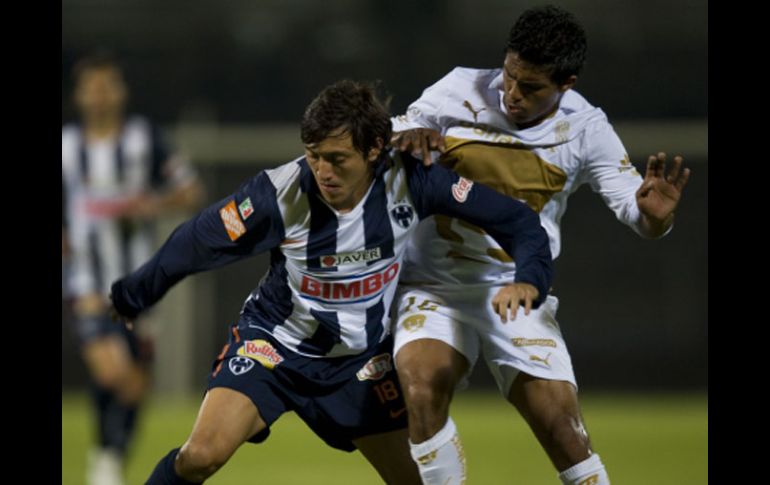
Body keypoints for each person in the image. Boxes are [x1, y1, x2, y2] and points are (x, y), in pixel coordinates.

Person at [109, 79, 554, 484]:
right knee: (200, 456)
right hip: (275, 348)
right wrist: (134, 294)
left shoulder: (413, 181)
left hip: (358, 364)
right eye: (314, 155)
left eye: (337, 159)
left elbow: (517, 220)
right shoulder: (278, 194)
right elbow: (196, 240)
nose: (323, 170)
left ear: (374, 149)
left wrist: (530, 278)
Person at [390, 5, 691, 485]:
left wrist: (657, 218)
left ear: (565, 83)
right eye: (509, 76)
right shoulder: (456, 89)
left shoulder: (587, 128)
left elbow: (638, 216)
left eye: (530, 87)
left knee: (563, 432)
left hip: (518, 288)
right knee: (422, 389)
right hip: (434, 285)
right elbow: (394, 134)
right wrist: (406, 134)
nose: (512, 94)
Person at [61, 51, 204, 485]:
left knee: (136, 382)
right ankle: (106, 457)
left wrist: (152, 204)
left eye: (108, 85)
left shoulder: (145, 139)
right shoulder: (67, 146)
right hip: (85, 278)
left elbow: (191, 190)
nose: (100, 95)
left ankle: (110, 457)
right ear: (79, 95)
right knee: (112, 370)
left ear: (121, 91)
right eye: (92, 87)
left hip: (140, 279)